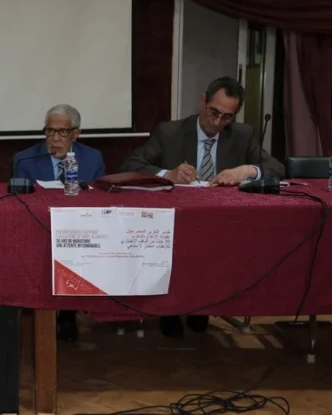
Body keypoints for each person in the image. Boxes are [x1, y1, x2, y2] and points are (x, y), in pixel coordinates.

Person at [120, 76, 285, 338]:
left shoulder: (242, 135)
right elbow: (130, 164)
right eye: (213, 112)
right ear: (202, 102)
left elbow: (277, 167)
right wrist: (167, 174)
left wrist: (246, 170)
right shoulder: (170, 132)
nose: (218, 122)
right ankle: (171, 310)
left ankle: (203, 305)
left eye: (227, 117)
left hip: (220, 224)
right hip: (177, 222)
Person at [13, 104, 106, 341]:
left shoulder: (92, 158)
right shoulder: (25, 159)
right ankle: (45, 311)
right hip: (39, 231)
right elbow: (19, 208)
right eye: (49, 131)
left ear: (76, 134)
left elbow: (100, 200)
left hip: (81, 232)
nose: (54, 139)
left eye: (62, 132)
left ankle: (67, 312)